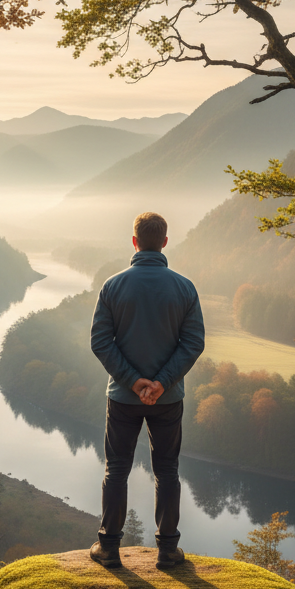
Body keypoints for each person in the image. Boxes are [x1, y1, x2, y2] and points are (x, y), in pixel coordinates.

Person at [88, 211, 205, 569]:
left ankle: (109, 548)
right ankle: (168, 551)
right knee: (167, 471)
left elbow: (100, 341)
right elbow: (193, 343)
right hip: (167, 399)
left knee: (116, 470)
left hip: (123, 397)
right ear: (165, 242)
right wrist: (161, 383)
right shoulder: (184, 288)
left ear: (134, 241)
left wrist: (133, 381)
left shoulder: (113, 286)